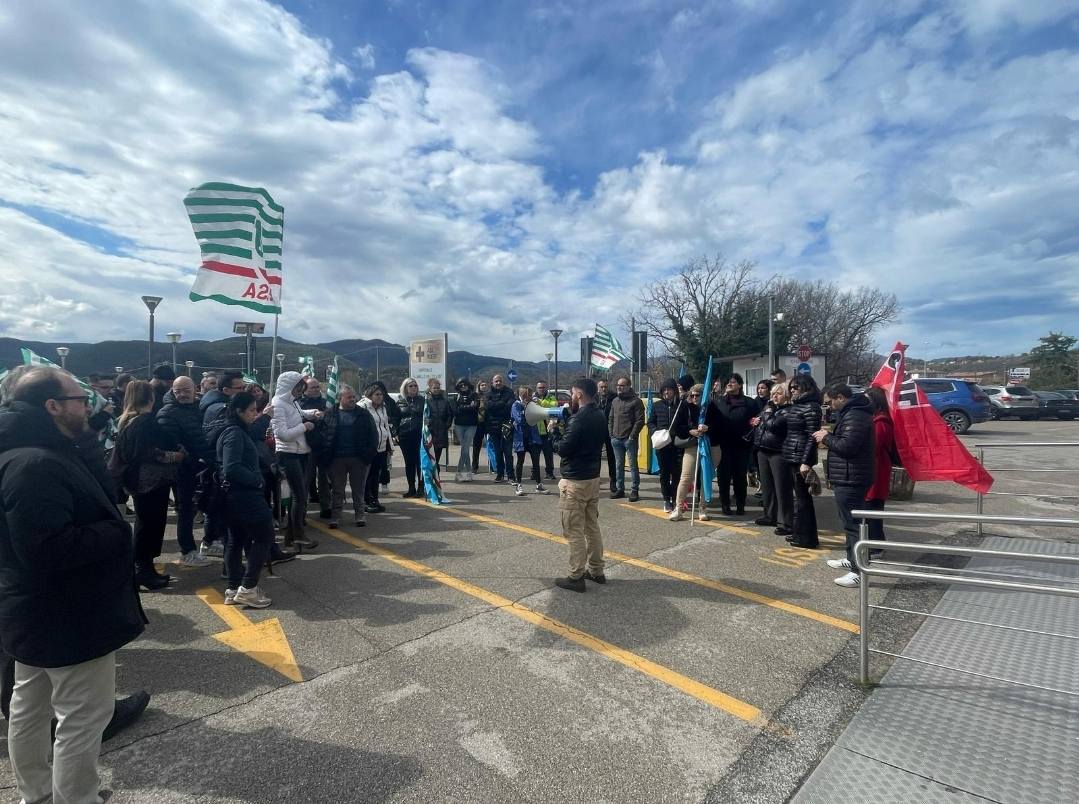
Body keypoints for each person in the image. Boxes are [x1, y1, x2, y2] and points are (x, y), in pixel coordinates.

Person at [0, 366, 146, 804]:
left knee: (29, 707)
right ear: (53, 406)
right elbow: (47, 549)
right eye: (79, 399)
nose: (88, 405)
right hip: (68, 613)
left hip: (34, 609)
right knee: (83, 717)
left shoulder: (30, 451)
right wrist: (116, 533)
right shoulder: (35, 464)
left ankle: (37, 794)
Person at [115, 380, 185, 590]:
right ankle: (142, 570)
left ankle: (144, 568)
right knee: (151, 525)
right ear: (151, 397)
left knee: (145, 523)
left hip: (137, 480)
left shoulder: (127, 420)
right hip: (151, 481)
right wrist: (175, 456)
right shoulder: (145, 421)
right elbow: (149, 453)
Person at [208, 392, 276, 608]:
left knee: (235, 540)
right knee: (264, 536)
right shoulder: (234, 433)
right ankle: (247, 588)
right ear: (239, 411)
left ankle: (233, 588)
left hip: (234, 496)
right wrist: (256, 480)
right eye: (252, 410)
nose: (255, 414)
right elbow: (231, 467)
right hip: (243, 496)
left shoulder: (235, 430)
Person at [815, 383, 875, 588]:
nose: (829, 406)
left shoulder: (856, 415)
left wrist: (826, 437)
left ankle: (859, 571)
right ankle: (852, 559)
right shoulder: (851, 413)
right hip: (847, 475)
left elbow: (847, 446)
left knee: (854, 525)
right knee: (847, 522)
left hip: (853, 477)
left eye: (830, 402)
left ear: (840, 397)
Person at [550, 378, 608, 592]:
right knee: (592, 527)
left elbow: (564, 449)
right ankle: (596, 571)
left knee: (573, 530)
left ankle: (576, 577)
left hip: (575, 482)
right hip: (592, 479)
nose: (572, 396)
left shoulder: (579, 419)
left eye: (573, 393)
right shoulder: (600, 414)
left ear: (580, 394)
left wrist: (554, 432)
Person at [156, 376, 214, 566]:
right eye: (177, 391)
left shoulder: (200, 407)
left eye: (186, 390)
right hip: (183, 470)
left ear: (195, 389)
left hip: (204, 466)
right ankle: (187, 551)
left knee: (209, 505)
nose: (182, 394)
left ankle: (211, 541)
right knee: (186, 510)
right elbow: (172, 443)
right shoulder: (167, 412)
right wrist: (191, 459)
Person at [271, 371, 321, 551]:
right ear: (289, 386)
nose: (300, 390)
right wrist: (304, 427)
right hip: (288, 454)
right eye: (298, 387)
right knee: (299, 496)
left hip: (299, 452)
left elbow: (300, 413)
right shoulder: (278, 404)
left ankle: (291, 538)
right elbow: (282, 434)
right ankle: (298, 535)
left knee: (298, 496)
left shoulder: (291, 402)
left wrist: (312, 413)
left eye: (301, 387)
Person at [198, 371, 246, 557]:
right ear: (226, 390)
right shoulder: (221, 408)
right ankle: (212, 542)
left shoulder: (214, 404)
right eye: (240, 388)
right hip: (218, 465)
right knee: (217, 507)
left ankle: (214, 541)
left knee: (216, 506)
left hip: (216, 463)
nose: (243, 391)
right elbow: (229, 436)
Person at [321, 386, 378, 528]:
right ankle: (335, 517)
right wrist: (325, 456)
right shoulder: (330, 414)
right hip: (336, 460)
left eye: (354, 397)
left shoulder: (363, 414)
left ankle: (360, 515)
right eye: (349, 397)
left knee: (358, 490)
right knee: (337, 490)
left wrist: (368, 456)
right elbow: (323, 435)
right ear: (340, 398)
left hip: (359, 459)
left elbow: (373, 436)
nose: (353, 399)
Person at [782, 375, 822, 547]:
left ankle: (806, 538)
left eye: (795, 387)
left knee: (803, 499)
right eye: (791, 387)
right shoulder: (797, 405)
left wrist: (805, 462)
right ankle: (799, 533)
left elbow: (812, 437)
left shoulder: (811, 407)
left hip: (800, 457)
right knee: (799, 499)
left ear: (806, 387)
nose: (792, 390)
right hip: (793, 454)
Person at [711, 373, 756, 516]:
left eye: (733, 382)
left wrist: (749, 435)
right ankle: (725, 504)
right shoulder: (719, 402)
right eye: (727, 383)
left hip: (742, 445)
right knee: (723, 477)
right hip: (723, 445)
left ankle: (740, 505)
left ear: (740, 385)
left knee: (740, 477)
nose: (729, 384)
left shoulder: (749, 403)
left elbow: (756, 421)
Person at [752, 383, 792, 530]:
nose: (774, 396)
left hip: (778, 452)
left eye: (778, 393)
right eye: (773, 393)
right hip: (763, 449)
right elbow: (760, 421)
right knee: (767, 486)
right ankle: (770, 515)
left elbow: (773, 425)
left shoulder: (788, 410)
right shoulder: (770, 408)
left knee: (781, 488)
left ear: (786, 395)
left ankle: (785, 522)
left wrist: (766, 415)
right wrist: (757, 420)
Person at [669, 384, 710, 522]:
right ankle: (678, 508)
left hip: (709, 446)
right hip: (692, 445)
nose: (694, 398)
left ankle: (702, 508)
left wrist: (708, 428)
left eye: (697, 395)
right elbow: (678, 427)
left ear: (704, 395)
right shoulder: (686, 407)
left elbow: (720, 426)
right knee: (686, 476)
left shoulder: (711, 408)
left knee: (704, 478)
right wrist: (690, 431)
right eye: (692, 395)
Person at [647, 379, 682, 512]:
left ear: (674, 391)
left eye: (669, 389)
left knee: (676, 473)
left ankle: (675, 498)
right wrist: (656, 432)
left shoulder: (680, 405)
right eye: (664, 390)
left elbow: (685, 422)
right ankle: (666, 500)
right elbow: (650, 422)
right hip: (662, 445)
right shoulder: (657, 405)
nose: (666, 392)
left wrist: (677, 433)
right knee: (664, 474)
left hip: (676, 445)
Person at [299, 377, 331, 520]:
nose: (317, 389)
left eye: (318, 387)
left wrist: (324, 417)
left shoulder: (325, 403)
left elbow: (331, 421)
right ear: (305, 390)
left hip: (323, 447)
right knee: (306, 480)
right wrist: (311, 419)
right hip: (306, 447)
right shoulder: (300, 404)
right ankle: (302, 511)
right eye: (313, 387)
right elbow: (297, 421)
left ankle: (326, 507)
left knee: (324, 480)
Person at [608, 376, 644, 501]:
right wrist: (611, 435)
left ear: (629, 386)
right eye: (618, 385)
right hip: (616, 439)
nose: (619, 387)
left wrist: (632, 436)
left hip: (629, 440)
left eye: (622, 385)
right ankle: (620, 489)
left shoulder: (636, 401)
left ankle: (634, 490)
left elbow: (640, 421)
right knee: (618, 466)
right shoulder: (615, 401)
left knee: (633, 466)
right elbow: (611, 418)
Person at [360, 383, 393, 513]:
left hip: (381, 447)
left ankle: (374, 500)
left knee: (375, 476)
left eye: (381, 394)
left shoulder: (383, 408)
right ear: (370, 395)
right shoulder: (362, 406)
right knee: (366, 476)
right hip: (368, 447)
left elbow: (386, 427)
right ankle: (365, 501)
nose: (380, 397)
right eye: (377, 394)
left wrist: (390, 445)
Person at [510, 386, 548, 496]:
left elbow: (538, 416)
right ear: (521, 395)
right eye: (526, 395)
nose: (529, 397)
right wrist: (528, 413)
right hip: (521, 438)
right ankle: (518, 484)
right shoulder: (516, 405)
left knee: (536, 461)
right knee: (520, 461)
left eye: (530, 395)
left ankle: (539, 484)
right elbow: (520, 420)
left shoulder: (532, 404)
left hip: (533, 437)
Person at [396, 378, 426, 497]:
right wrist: (395, 434)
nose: (413, 388)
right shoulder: (400, 402)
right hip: (404, 436)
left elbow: (428, 416)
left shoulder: (423, 401)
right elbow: (395, 419)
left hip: (419, 435)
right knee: (409, 463)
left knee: (420, 462)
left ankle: (421, 488)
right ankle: (411, 488)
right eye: (410, 386)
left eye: (415, 386)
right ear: (405, 388)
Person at [484, 374, 516, 483]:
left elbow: (509, 406)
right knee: (498, 453)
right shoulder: (488, 394)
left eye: (500, 381)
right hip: (493, 428)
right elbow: (488, 407)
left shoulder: (509, 392)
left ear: (503, 382)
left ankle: (511, 476)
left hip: (507, 426)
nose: (498, 383)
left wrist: (496, 406)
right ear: (492, 382)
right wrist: (502, 403)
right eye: (496, 381)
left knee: (508, 453)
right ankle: (500, 475)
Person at [452, 379, 479, 482]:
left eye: (465, 384)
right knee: (465, 449)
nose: (463, 386)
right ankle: (468, 473)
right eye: (461, 385)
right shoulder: (456, 397)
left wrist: (462, 408)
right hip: (459, 425)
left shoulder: (474, 395)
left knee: (465, 447)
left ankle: (459, 472)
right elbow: (455, 410)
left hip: (471, 425)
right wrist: (468, 407)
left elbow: (475, 408)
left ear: (468, 385)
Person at [595, 378, 617, 492]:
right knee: (596, 457)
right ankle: (595, 481)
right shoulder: (594, 399)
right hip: (597, 430)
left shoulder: (614, 398)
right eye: (601, 387)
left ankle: (613, 482)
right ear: (598, 388)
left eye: (605, 387)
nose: (604, 389)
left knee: (611, 457)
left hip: (610, 430)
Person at [425, 378, 453, 468]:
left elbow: (450, 414)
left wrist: (446, 425)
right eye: (434, 388)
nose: (436, 390)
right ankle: (430, 473)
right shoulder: (426, 401)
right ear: (430, 388)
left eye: (438, 388)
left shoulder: (445, 401)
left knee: (437, 457)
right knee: (429, 456)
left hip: (441, 432)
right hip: (430, 433)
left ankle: (436, 472)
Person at [533, 381, 559, 481]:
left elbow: (554, 405)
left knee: (548, 454)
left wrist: (541, 402)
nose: (541, 389)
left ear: (546, 388)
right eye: (539, 387)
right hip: (535, 432)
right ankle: (535, 473)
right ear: (536, 388)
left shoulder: (551, 397)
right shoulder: (532, 397)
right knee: (535, 455)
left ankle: (549, 473)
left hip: (546, 431)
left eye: (543, 387)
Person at [472, 379, 489, 475]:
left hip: (487, 423)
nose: (484, 386)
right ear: (478, 386)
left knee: (490, 445)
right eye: (482, 385)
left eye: (485, 385)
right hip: (478, 423)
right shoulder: (475, 396)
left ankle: (493, 466)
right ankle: (474, 467)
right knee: (476, 446)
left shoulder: (489, 395)